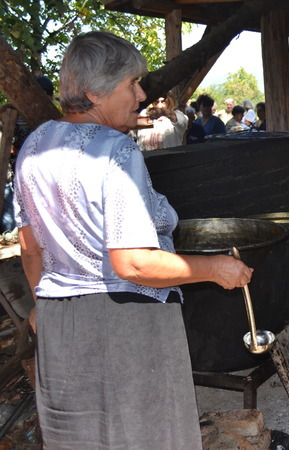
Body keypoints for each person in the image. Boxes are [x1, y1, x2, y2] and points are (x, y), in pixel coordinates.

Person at [13, 31, 253, 449]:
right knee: (147, 435)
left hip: (60, 323)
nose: (141, 95)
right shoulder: (114, 150)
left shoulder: (34, 145)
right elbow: (133, 263)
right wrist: (215, 268)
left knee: (81, 438)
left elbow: (30, 247)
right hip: (125, 323)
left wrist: (42, 306)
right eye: (132, 84)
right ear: (94, 92)